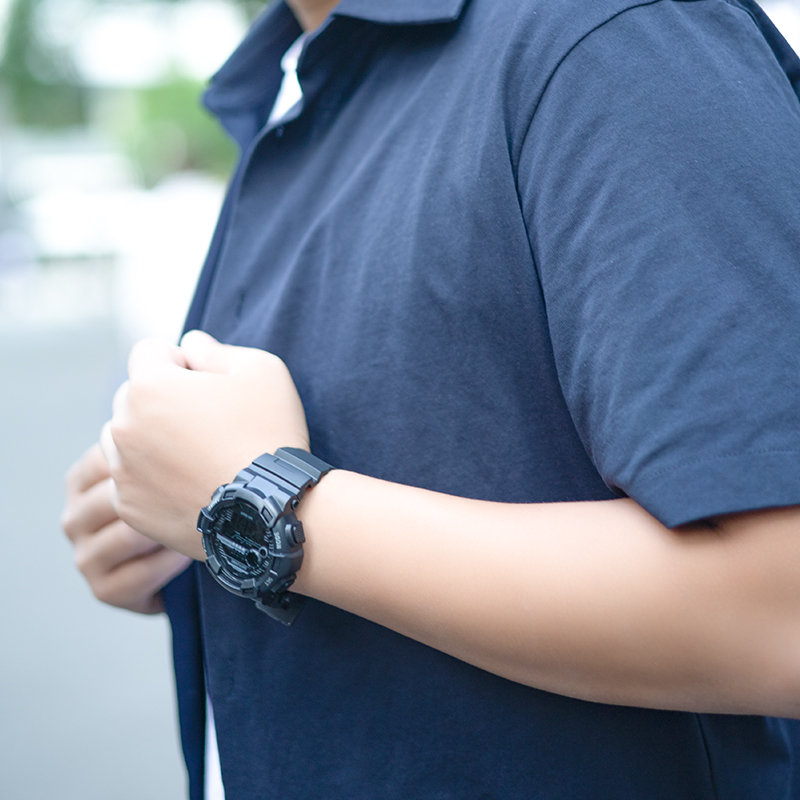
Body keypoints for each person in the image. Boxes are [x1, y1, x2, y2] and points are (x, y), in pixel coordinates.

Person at [62, 0, 800, 798]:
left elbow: (779, 610)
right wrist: (171, 514)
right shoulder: (294, 78)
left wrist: (259, 505)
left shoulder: (609, 37)